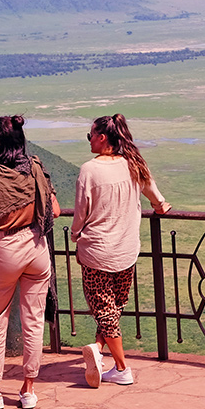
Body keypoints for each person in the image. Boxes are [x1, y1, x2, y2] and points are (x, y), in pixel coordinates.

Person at [0, 115, 61, 409]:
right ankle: (28, 389)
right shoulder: (36, 168)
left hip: (5, 248)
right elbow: (54, 210)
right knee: (34, 321)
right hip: (36, 247)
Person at [73, 114, 170, 387]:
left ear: (102, 137)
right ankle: (97, 349)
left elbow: (81, 213)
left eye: (90, 135)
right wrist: (161, 206)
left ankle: (122, 367)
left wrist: (75, 236)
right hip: (127, 250)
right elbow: (155, 196)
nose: (89, 140)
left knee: (105, 310)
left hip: (97, 252)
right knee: (114, 307)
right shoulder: (134, 164)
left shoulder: (89, 170)